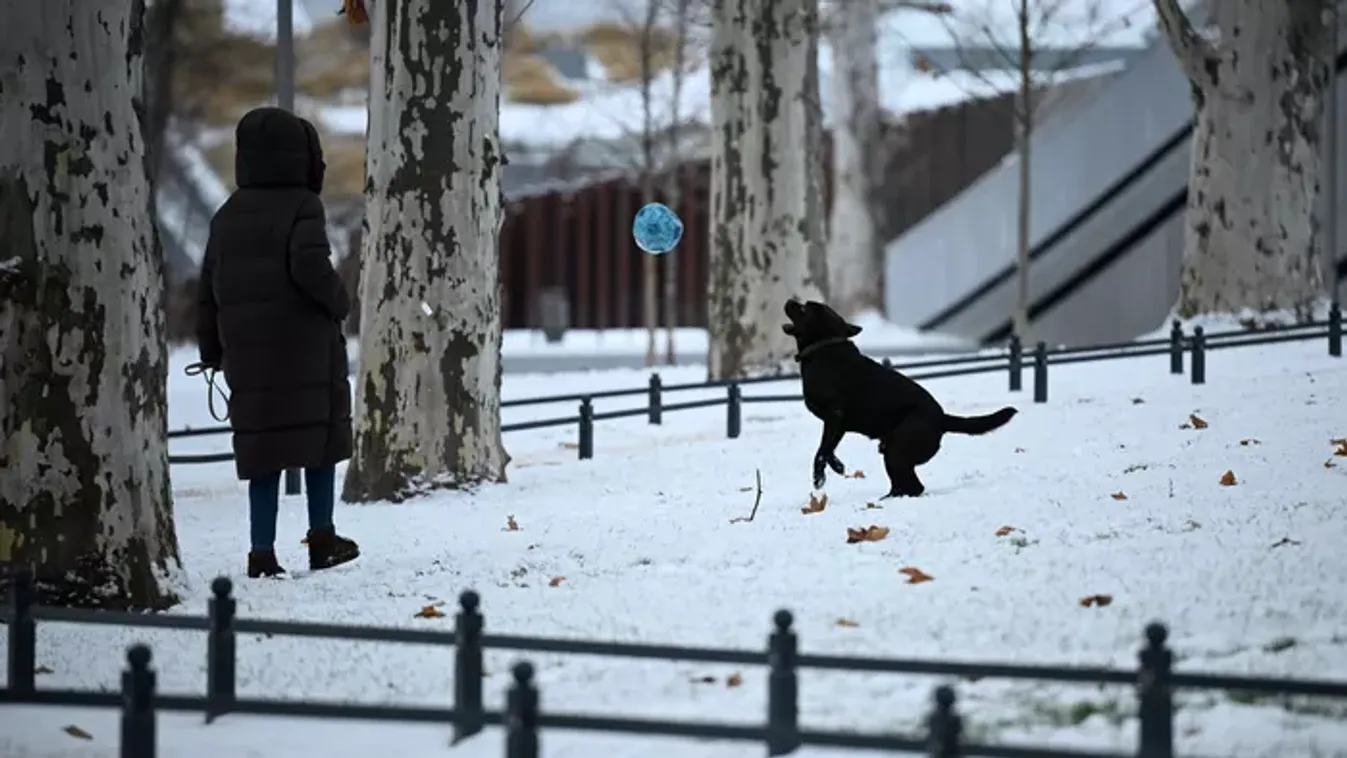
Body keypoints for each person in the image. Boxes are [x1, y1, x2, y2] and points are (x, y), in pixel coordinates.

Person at [196, 107, 360, 578]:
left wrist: (212, 351)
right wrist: (339, 301)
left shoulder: (226, 214)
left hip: (247, 357)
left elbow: (208, 289)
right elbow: (310, 267)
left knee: (262, 451)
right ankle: (322, 537)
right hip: (305, 352)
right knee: (320, 442)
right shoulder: (303, 206)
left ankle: (261, 552)